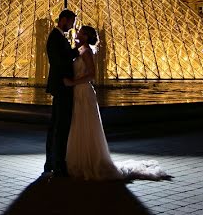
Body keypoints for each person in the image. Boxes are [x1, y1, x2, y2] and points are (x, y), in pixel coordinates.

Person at [64, 25, 168, 181]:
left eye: (79, 32)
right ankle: (81, 160)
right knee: (80, 125)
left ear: (85, 36)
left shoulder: (86, 52)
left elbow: (92, 75)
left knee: (84, 125)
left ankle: (87, 162)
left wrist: (73, 82)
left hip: (83, 91)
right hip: (79, 91)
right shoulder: (79, 50)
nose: (76, 33)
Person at [43, 9, 79, 178]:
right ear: (63, 20)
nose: (72, 27)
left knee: (56, 126)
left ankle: (52, 162)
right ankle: (57, 164)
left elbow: (64, 57)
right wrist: (66, 78)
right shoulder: (55, 37)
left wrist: (76, 49)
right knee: (60, 127)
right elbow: (59, 62)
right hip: (62, 86)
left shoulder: (58, 37)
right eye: (71, 23)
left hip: (60, 86)